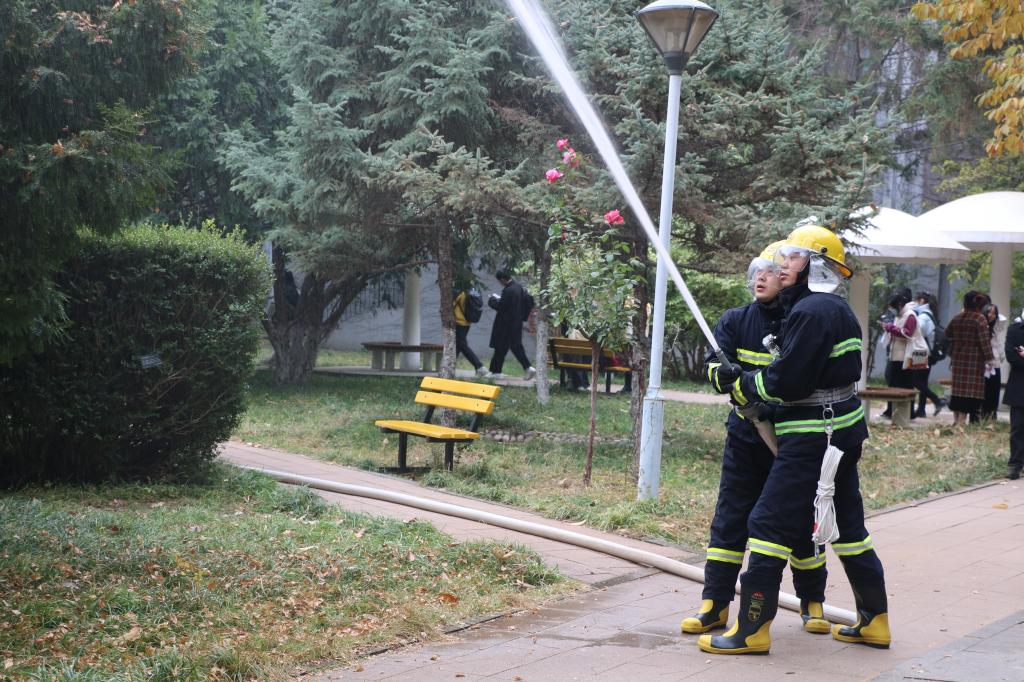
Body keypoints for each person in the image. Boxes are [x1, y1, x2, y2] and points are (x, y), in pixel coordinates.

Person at [700, 224, 889, 655]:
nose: (782, 264)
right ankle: (875, 620)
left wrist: (745, 385)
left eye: (792, 257)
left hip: (812, 438)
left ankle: (751, 630)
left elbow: (789, 381)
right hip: (840, 431)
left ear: (816, 265)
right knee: (849, 527)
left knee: (768, 523)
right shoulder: (832, 308)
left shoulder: (811, 311)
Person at [687, 241, 831, 640]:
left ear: (787, 277)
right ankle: (714, 603)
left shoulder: (799, 320)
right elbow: (713, 370)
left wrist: (765, 397)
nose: (761, 278)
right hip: (745, 436)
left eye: (770, 271)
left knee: (801, 520)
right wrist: (724, 376)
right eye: (756, 273)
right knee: (730, 517)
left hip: (790, 440)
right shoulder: (735, 320)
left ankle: (812, 601)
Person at [946, 291, 995, 426]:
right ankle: (962, 422)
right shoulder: (979, 319)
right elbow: (984, 342)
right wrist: (990, 359)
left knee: (957, 391)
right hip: (974, 361)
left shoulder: (957, 317)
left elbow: (947, 333)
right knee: (968, 393)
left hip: (958, 359)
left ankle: (956, 421)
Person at [881, 289, 924, 419]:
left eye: (894, 307)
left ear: (900, 304)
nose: (893, 310)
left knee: (906, 386)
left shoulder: (910, 315)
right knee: (893, 385)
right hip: (896, 356)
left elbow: (907, 333)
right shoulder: (900, 315)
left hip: (906, 357)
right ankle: (892, 411)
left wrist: (890, 328)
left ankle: (908, 413)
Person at [487, 270, 537, 380]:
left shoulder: (508, 290)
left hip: (505, 325)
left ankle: (496, 371)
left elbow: (501, 307)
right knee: (512, 347)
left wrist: (492, 300)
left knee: (501, 347)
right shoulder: (518, 287)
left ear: (502, 280)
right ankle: (527, 368)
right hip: (516, 323)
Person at [913, 291, 946, 417]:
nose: (915, 303)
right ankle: (921, 410)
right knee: (923, 381)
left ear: (921, 301)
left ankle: (937, 400)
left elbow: (918, 331)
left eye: (916, 301)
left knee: (915, 381)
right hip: (929, 352)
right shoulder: (930, 314)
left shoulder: (923, 316)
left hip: (920, 352)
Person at [1002, 311, 1024, 480]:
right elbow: (1011, 357)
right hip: (1019, 386)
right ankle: (1015, 464)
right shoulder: (1014, 330)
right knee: (1017, 427)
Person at [981, 303, 1007, 420]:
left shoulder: (997, 327)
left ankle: (992, 416)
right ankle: (982, 416)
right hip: (983, 364)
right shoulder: (981, 326)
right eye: (989, 312)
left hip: (995, 364)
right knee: (984, 392)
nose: (991, 315)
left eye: (994, 313)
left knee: (994, 391)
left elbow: (1003, 319)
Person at [453, 289, 488, 377]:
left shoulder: (459, 291)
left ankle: (479, 366)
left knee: (462, 345)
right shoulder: (470, 290)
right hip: (467, 322)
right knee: (458, 345)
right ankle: (450, 367)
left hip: (459, 322)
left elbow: (451, 305)